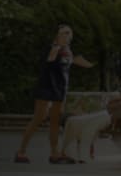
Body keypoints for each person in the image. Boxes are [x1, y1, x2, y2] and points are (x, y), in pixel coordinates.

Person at [14, 23, 93, 164]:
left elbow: (70, 63)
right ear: (57, 35)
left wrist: (86, 64)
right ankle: (21, 152)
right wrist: (57, 46)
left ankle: (54, 154)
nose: (67, 35)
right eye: (64, 33)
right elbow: (49, 62)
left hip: (60, 89)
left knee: (55, 122)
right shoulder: (52, 48)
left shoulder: (68, 50)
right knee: (39, 118)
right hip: (46, 88)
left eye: (69, 32)